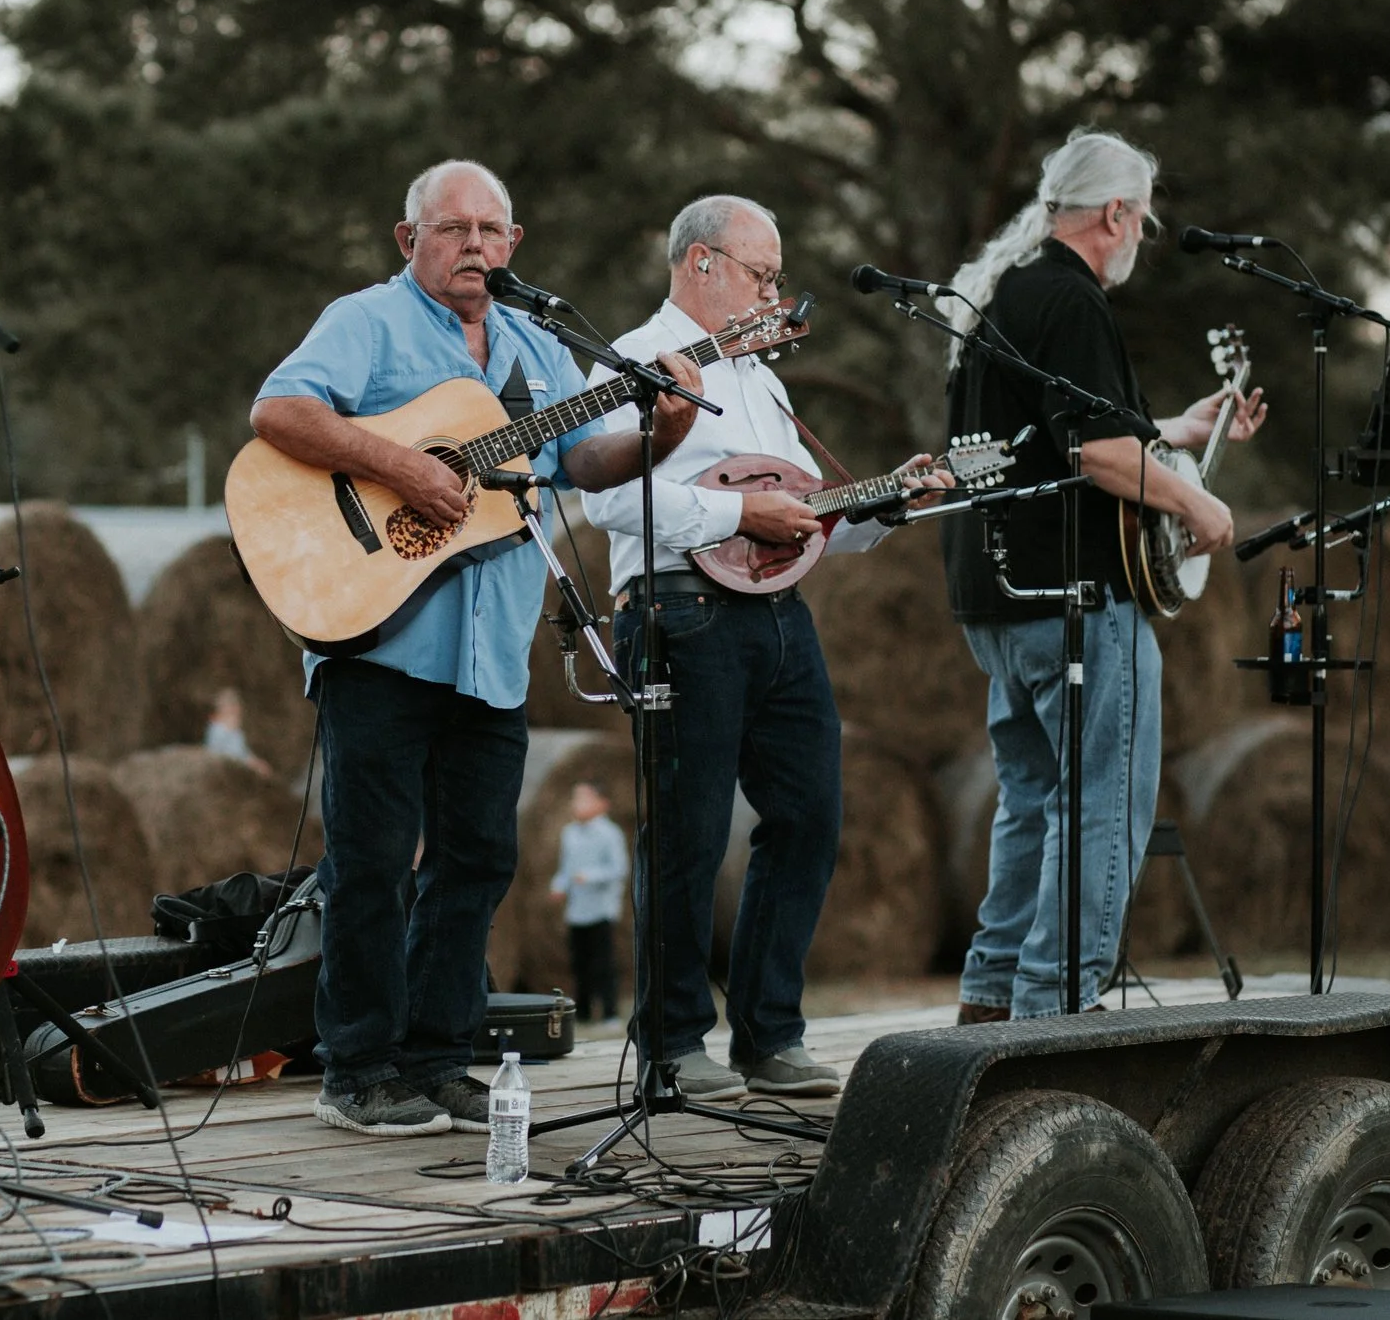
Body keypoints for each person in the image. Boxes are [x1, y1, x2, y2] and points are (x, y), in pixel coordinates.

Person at [250, 160, 703, 1137]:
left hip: (493, 650)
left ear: (514, 243)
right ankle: (358, 1064)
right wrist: (400, 463)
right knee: (369, 858)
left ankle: (438, 1053)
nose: (472, 245)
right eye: (450, 228)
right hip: (380, 639)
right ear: (407, 238)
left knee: (477, 857)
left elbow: (585, 461)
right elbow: (278, 411)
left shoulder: (538, 340)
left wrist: (660, 432)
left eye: (489, 230)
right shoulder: (366, 319)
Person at [580, 196, 947, 1100]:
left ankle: (769, 1034)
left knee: (811, 817)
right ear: (702, 263)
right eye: (763, 274)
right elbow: (605, 503)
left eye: (776, 277)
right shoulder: (630, 358)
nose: (776, 294)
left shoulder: (765, 382)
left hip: (781, 617)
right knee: (689, 834)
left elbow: (810, 519)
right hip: (679, 614)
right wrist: (741, 510)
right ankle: (668, 1046)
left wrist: (888, 504)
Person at [938, 130, 1267, 1022]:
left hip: (998, 595)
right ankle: (1058, 1004)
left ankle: (993, 991)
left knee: (1031, 796)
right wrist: (1200, 509)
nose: (1141, 237)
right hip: (1075, 599)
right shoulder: (1073, 301)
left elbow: (1055, 435)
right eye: (1143, 220)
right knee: (1103, 801)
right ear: (1116, 213)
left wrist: (1181, 434)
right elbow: (1096, 453)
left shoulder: (1004, 292)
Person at [548, 782, 628, 1023]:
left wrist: (590, 876)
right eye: (575, 798)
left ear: (602, 804)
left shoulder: (610, 833)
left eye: (584, 799)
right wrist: (558, 886)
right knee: (579, 963)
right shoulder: (569, 833)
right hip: (576, 909)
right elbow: (565, 868)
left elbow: (619, 868)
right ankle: (582, 1012)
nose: (576, 804)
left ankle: (610, 1012)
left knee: (603, 962)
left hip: (601, 908)